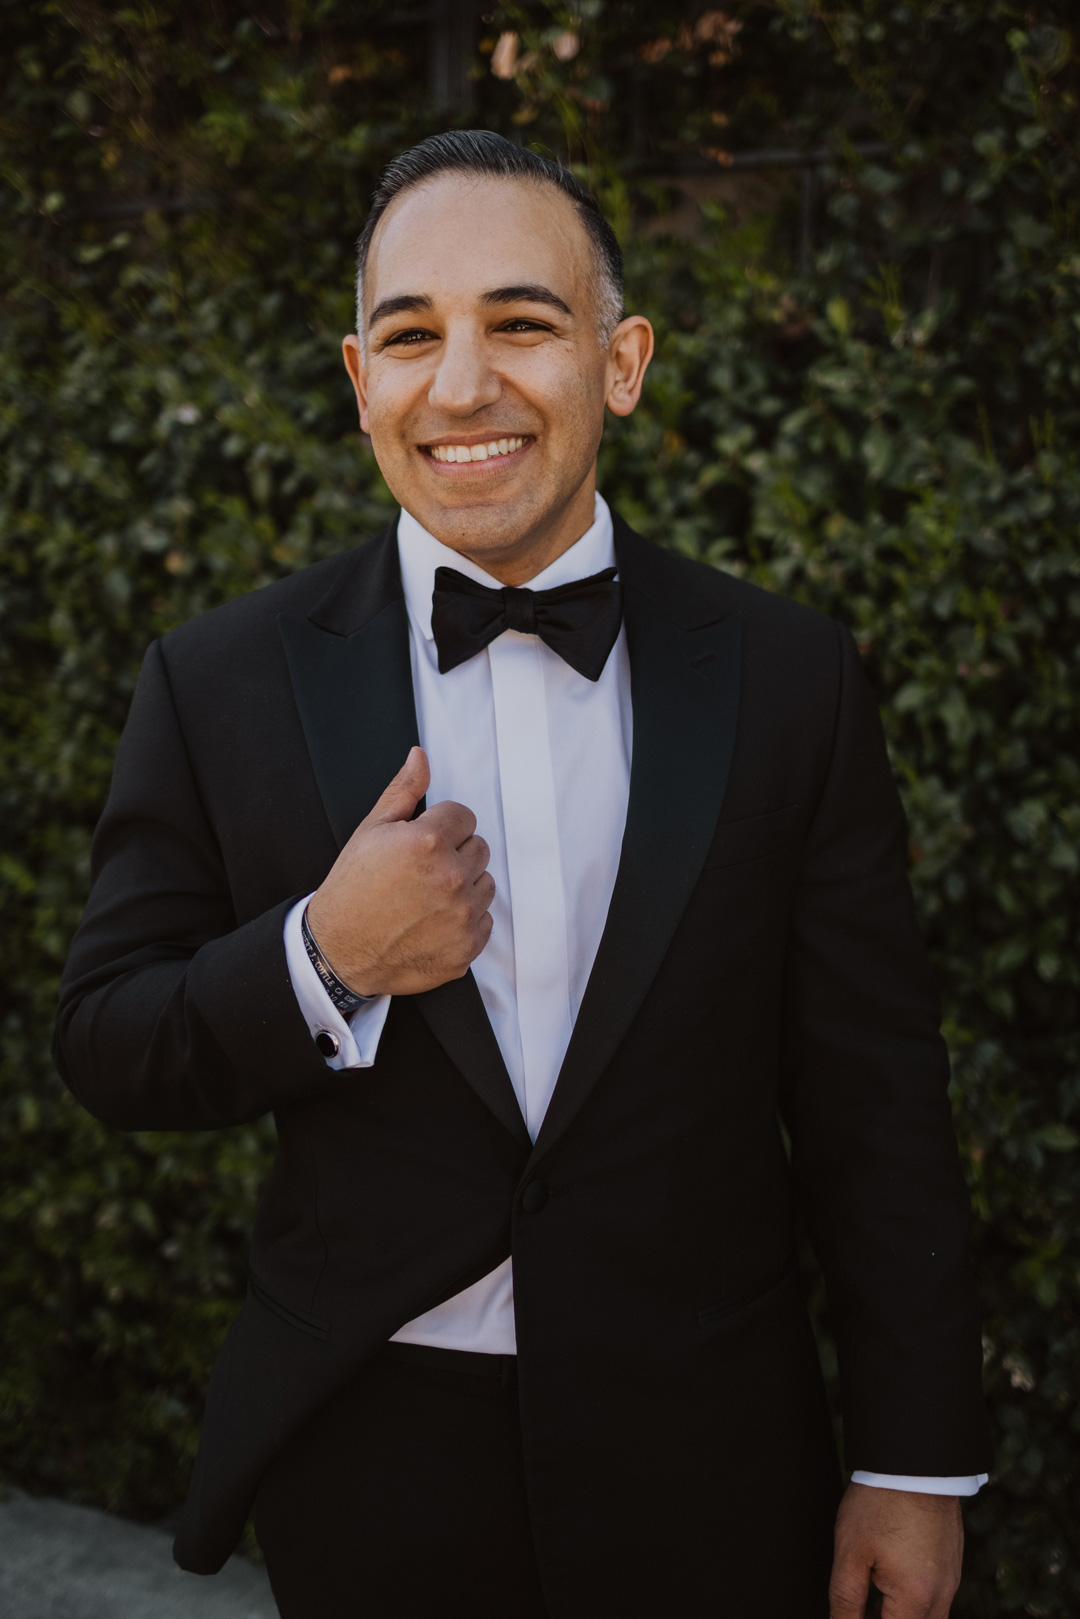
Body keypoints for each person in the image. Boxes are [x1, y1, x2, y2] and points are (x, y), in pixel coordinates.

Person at [55, 130, 992, 1618]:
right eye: (410, 336)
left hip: (713, 1450)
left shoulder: (789, 678)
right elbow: (109, 1040)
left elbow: (875, 1100)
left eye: (522, 323)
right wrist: (323, 956)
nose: (462, 384)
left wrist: (914, 1462)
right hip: (371, 1455)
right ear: (358, 380)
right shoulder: (216, 679)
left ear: (621, 364)